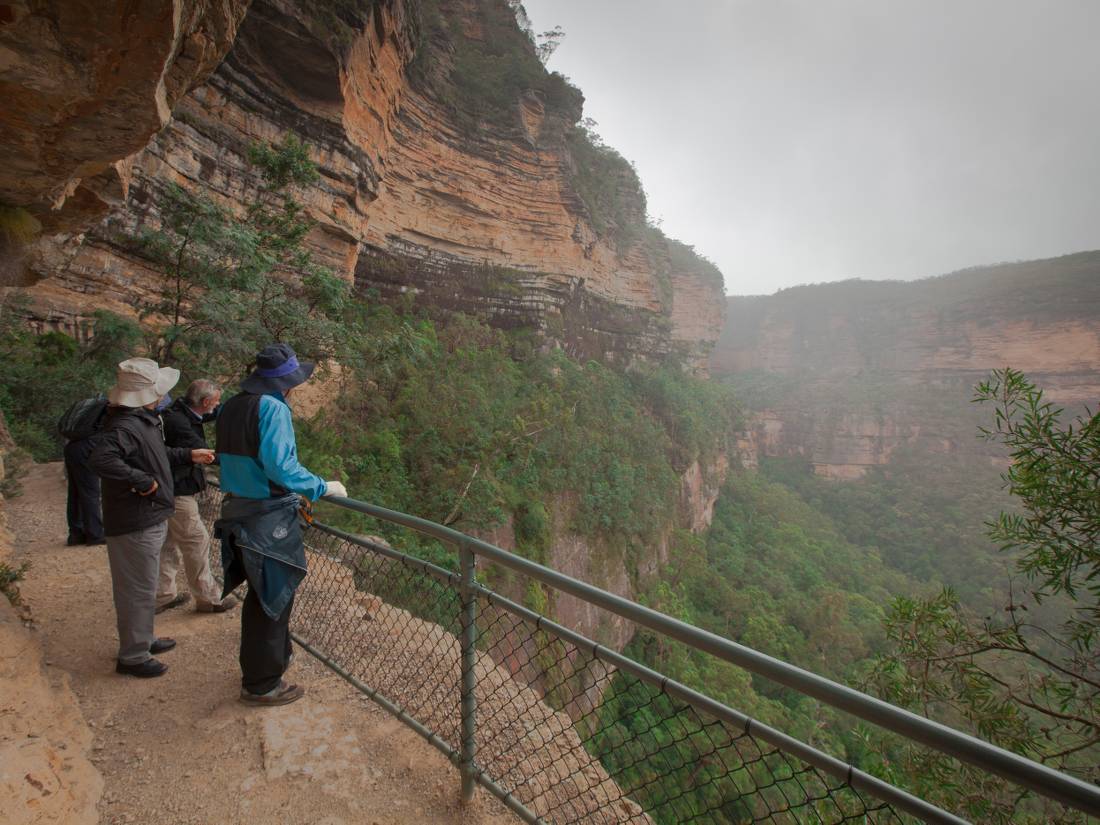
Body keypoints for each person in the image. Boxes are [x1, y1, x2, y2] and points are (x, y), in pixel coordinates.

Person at [215, 343, 346, 706]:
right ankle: (261, 684)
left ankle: (268, 666)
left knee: (260, 597)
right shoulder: (271, 408)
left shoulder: (231, 405)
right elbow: (280, 467)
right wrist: (321, 486)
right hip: (266, 517)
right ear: (285, 382)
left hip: (237, 511)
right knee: (272, 598)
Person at [88, 358, 215, 678]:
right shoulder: (125, 426)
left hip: (146, 515)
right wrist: (142, 481)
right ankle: (132, 656)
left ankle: (143, 640)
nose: (164, 395)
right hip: (135, 519)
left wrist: (187, 454)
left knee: (144, 584)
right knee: (136, 588)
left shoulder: (140, 421)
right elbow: (101, 458)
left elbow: (156, 456)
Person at [155, 379, 238, 615]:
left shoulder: (181, 410)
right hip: (177, 491)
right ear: (205, 402)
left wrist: (234, 406)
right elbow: (205, 453)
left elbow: (207, 416)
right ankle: (208, 598)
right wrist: (241, 459)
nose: (217, 405)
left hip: (168, 488)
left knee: (168, 543)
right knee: (196, 540)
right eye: (216, 402)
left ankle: (162, 596)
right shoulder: (180, 424)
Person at [58, 395, 107, 546]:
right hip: (86, 449)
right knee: (90, 493)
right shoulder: (112, 408)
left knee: (75, 493)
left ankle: (76, 534)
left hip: (73, 447)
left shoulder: (98, 406)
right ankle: (95, 534)